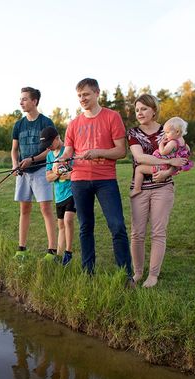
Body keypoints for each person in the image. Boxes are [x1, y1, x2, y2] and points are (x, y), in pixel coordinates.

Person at [59, 78, 132, 278]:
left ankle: (125, 275)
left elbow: (120, 151)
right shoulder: (73, 124)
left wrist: (98, 152)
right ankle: (87, 273)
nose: (82, 99)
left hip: (105, 180)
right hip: (79, 180)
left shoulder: (112, 117)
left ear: (97, 93)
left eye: (86, 94)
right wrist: (61, 161)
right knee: (85, 227)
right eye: (79, 96)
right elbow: (67, 152)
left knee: (117, 226)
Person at [127, 95, 188, 287]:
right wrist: (168, 161)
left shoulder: (168, 130)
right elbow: (140, 158)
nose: (140, 113)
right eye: (137, 110)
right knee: (137, 233)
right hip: (140, 188)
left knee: (158, 232)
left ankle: (153, 275)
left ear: (154, 110)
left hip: (163, 187)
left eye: (144, 109)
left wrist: (168, 172)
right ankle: (137, 273)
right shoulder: (133, 133)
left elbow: (184, 154)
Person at [11, 87, 57, 261]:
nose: (21, 102)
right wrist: (15, 165)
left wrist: (33, 159)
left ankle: (51, 251)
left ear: (34, 101)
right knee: (24, 209)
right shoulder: (18, 124)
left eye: (24, 99)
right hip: (23, 173)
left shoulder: (46, 123)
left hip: (41, 170)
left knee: (45, 209)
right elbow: (14, 150)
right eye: (20, 99)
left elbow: (51, 149)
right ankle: (22, 249)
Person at [130, 116, 192, 197]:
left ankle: (136, 189)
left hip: (162, 166)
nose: (165, 135)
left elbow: (163, 152)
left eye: (167, 132)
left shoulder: (173, 142)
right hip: (169, 166)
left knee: (139, 169)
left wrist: (161, 143)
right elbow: (187, 153)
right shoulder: (184, 143)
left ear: (177, 132)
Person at [44, 127, 76, 266]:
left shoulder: (68, 151)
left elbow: (76, 172)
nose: (49, 148)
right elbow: (48, 178)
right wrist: (57, 173)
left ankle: (68, 253)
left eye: (50, 144)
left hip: (71, 192)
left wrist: (67, 174)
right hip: (59, 196)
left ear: (57, 138)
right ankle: (59, 255)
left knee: (68, 220)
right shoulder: (49, 156)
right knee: (61, 225)